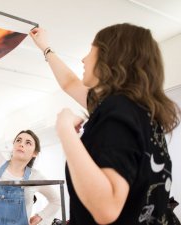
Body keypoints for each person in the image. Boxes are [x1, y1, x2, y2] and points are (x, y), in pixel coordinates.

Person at [30, 24, 180, 224]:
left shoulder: (118, 110)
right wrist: (46, 48)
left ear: (109, 58)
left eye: (91, 51)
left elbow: (106, 208)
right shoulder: (140, 112)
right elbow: (70, 84)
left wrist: (65, 131)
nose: (83, 59)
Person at [0, 63, 61, 225]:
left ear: (35, 153)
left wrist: (40, 216)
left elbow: (56, 201)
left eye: (28, 143)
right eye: (18, 140)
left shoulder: (35, 177)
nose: (21, 144)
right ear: (13, 146)